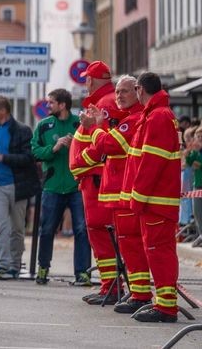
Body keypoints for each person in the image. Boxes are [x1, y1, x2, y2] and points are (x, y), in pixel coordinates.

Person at [80, 75, 153, 312]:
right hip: (118, 192)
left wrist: (97, 127)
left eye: (125, 91)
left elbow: (109, 146)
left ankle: (141, 295)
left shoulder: (134, 119)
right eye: (118, 91)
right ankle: (136, 293)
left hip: (125, 192)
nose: (119, 95)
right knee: (126, 244)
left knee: (132, 245)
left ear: (138, 91)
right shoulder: (129, 118)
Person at [126, 72, 182, 323]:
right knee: (158, 251)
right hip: (157, 201)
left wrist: (137, 197)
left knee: (158, 252)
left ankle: (166, 308)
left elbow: (151, 164)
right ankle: (163, 303)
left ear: (139, 89)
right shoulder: (157, 114)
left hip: (156, 201)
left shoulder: (158, 116)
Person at [71, 60, 124, 298]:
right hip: (95, 177)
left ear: (90, 80)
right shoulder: (105, 101)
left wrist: (81, 160)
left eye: (86, 79)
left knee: (101, 231)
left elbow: (107, 144)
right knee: (102, 232)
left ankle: (110, 287)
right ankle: (111, 286)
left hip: (96, 178)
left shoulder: (105, 103)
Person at [31, 88, 88, 285]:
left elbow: (93, 149)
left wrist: (75, 146)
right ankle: (43, 268)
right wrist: (53, 148)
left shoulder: (79, 124)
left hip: (77, 186)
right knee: (46, 229)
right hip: (52, 186)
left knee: (82, 229)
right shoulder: (44, 125)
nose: (48, 106)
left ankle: (82, 272)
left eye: (51, 103)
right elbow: (35, 151)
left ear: (62, 105)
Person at [0, 95, 37, 280]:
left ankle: (15, 265)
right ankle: (2, 264)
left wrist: (2, 157)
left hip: (18, 185)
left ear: (3, 110)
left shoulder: (22, 130)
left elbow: (28, 158)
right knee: (1, 224)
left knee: (17, 228)